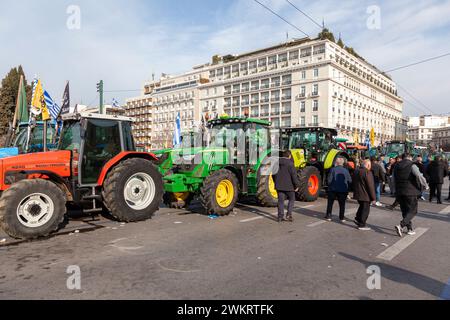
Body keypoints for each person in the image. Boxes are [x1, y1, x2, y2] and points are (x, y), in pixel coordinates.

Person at [394, 153, 429, 237]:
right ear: (409, 157)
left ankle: (409, 229)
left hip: (400, 191)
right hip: (411, 191)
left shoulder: (396, 166)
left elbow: (393, 179)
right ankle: (401, 225)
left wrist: (395, 189)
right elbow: (419, 176)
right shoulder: (412, 165)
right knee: (413, 210)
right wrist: (426, 185)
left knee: (405, 211)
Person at [273, 150, 300, 223]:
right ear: (289, 155)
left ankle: (280, 217)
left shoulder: (276, 163)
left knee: (280, 201)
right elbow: (294, 176)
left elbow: (273, 174)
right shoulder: (290, 164)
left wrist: (276, 182)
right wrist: (296, 185)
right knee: (291, 199)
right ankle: (289, 215)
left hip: (279, 186)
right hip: (289, 186)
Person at [325, 157, 352, 222]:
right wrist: (347, 188)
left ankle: (329, 216)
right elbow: (350, 180)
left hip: (332, 189)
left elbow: (329, 180)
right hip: (343, 190)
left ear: (336, 163)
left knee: (330, 203)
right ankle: (341, 217)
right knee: (342, 204)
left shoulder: (333, 169)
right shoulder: (346, 170)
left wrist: (329, 186)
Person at [352, 159, 376, 231]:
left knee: (362, 206)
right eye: (370, 165)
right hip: (365, 194)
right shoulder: (367, 172)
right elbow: (370, 186)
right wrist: (373, 198)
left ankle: (357, 219)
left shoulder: (356, 171)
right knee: (365, 209)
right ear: (368, 165)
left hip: (358, 193)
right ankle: (362, 224)